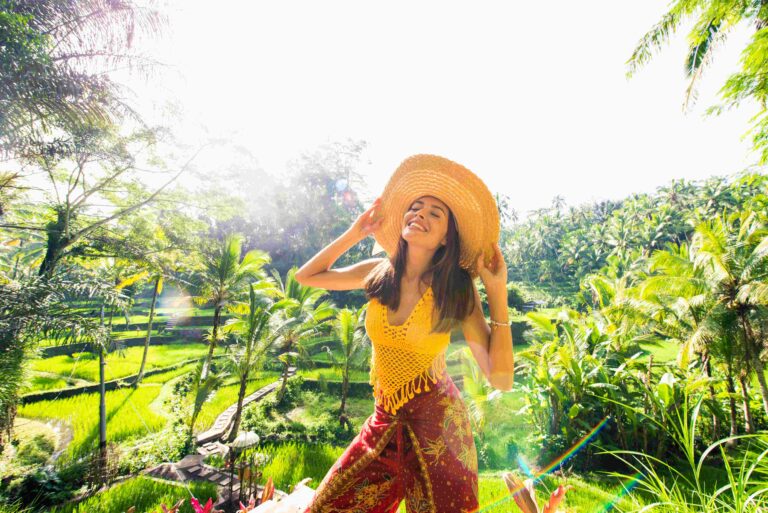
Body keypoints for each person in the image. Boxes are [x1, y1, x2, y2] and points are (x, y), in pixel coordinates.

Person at [294, 154, 515, 513]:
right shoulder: (378, 273)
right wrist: (355, 233)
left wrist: (497, 291)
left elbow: (501, 377)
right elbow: (307, 276)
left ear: (447, 237)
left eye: (434, 213)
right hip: (385, 421)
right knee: (325, 507)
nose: (419, 215)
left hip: (440, 429)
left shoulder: (456, 289)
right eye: (415, 207)